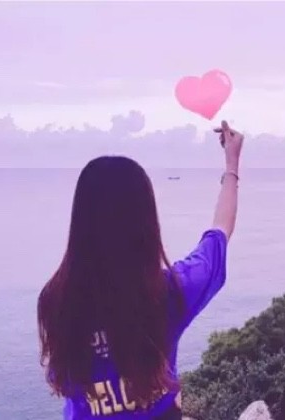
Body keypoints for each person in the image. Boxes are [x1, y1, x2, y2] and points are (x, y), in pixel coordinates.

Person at [37, 120, 244, 419]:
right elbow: (220, 231)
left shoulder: (55, 300)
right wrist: (231, 163)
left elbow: (65, 381)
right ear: (145, 223)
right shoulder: (170, 293)